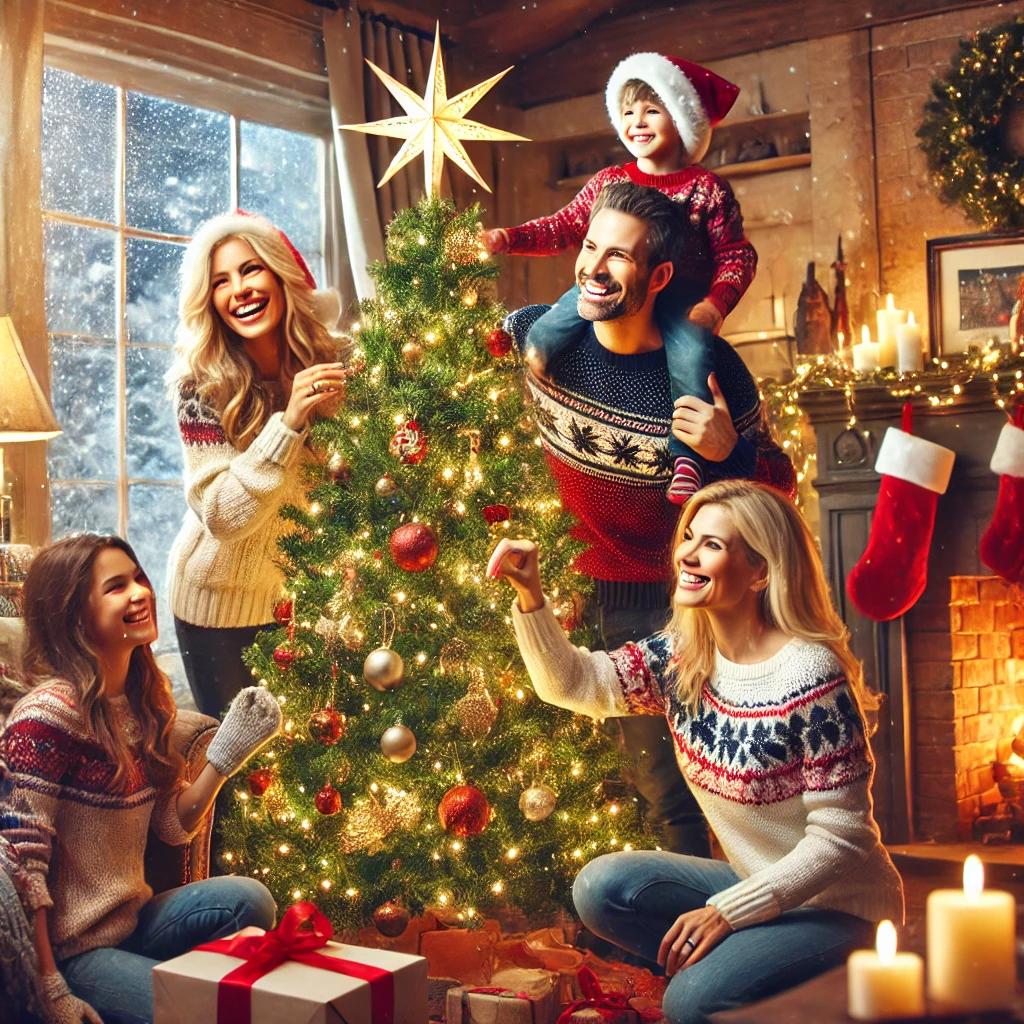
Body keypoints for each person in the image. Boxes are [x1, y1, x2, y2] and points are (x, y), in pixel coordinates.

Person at [487, 480, 905, 1024]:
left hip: (841, 910)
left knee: (692, 1002)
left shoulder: (810, 676)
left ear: (760, 571)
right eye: (690, 536)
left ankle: (754, 987)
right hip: (759, 884)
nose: (688, 551)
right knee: (601, 888)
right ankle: (744, 978)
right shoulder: (683, 658)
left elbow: (844, 837)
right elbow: (576, 684)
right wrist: (531, 596)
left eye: (713, 544)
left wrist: (729, 913)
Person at [504, 180, 795, 857]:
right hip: (559, 588)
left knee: (669, 789)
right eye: (588, 248)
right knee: (579, 792)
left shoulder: (712, 369)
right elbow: (446, 373)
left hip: (670, 599)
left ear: (659, 275)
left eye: (618, 257)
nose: (593, 269)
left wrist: (731, 452)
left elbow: (778, 490)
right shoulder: (539, 339)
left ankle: (694, 934)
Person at [0, 534, 282, 1024]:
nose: (140, 593)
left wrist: (224, 756)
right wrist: (50, 987)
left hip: (134, 921)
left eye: (138, 578)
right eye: (116, 587)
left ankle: (145, 978)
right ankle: (145, 986)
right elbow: (22, 868)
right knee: (202, 1012)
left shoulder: (142, 703)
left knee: (249, 900)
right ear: (74, 614)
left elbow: (173, 827)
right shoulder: (45, 717)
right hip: (73, 952)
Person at [484, 54, 758, 503]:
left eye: (652, 110)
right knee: (547, 329)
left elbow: (735, 254)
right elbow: (565, 226)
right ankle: (524, 406)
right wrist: (505, 238)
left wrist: (715, 303)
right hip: (609, 294)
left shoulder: (707, 189)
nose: (637, 121)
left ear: (683, 118)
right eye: (628, 112)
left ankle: (686, 456)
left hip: (681, 299)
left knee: (691, 358)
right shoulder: (609, 182)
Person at [167, 210, 350, 717]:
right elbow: (223, 516)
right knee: (238, 773)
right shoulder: (198, 388)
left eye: (250, 270)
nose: (238, 290)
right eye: (220, 281)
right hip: (218, 605)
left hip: (308, 603)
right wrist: (287, 424)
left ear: (280, 274)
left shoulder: (340, 364)